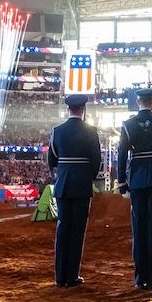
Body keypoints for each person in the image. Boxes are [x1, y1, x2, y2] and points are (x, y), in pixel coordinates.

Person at [117, 89, 152, 291]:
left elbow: (122, 154)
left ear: (138, 101)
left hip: (138, 177)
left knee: (139, 228)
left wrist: (122, 182)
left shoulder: (128, 125)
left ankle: (140, 277)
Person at [47, 94, 103, 287]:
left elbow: (51, 160)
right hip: (81, 184)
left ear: (68, 109)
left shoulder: (57, 131)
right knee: (77, 231)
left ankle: (59, 276)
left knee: (63, 229)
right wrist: (88, 176)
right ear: (83, 109)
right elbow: (96, 161)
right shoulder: (91, 131)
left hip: (63, 184)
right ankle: (71, 276)